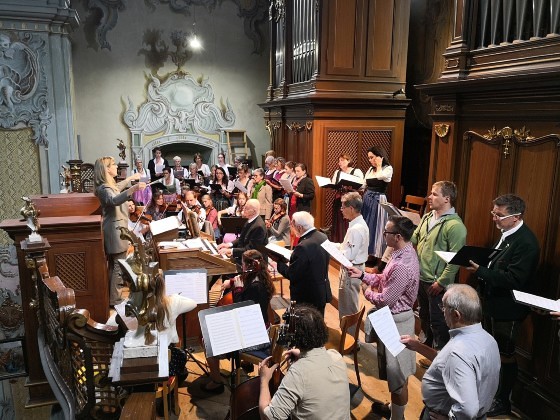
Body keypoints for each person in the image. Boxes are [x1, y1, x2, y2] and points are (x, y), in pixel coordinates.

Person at [467, 194, 540, 417]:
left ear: (516, 217)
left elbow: (514, 279)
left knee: (504, 353)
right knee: (491, 351)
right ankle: (488, 392)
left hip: (509, 309)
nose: (494, 218)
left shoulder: (527, 242)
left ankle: (503, 400)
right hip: (493, 303)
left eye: (499, 215)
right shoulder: (507, 234)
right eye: (493, 213)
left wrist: (480, 271)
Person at [348, 215, 419, 420]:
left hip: (397, 323)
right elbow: (385, 278)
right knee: (395, 375)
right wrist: (363, 275)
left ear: (397, 236)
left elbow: (385, 300)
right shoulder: (403, 251)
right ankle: (396, 411)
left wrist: (366, 291)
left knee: (398, 378)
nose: (383, 235)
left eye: (386, 232)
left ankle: (398, 417)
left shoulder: (402, 265)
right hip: (393, 320)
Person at [401, 284, 500, 420]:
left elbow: (467, 409)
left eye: (444, 307)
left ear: (456, 315)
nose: (442, 311)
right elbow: (446, 361)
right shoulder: (488, 339)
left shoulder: (457, 353)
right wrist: (418, 346)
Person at [258, 304, 350, 420]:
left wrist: (264, 380)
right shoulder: (336, 356)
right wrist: (302, 354)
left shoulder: (298, 373)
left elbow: (270, 418)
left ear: (295, 337)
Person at [203, 250, 275, 393]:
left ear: (248, 266)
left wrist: (237, 289)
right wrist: (231, 282)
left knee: (208, 342)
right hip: (260, 329)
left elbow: (241, 311)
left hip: (254, 338)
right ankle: (246, 363)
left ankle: (216, 382)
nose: (241, 267)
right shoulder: (261, 278)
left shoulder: (255, 287)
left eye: (242, 264)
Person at [411, 181, 467, 352]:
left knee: (439, 322)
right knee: (424, 314)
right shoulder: (428, 217)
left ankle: (438, 356)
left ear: (447, 199)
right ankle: (427, 349)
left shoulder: (455, 226)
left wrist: (441, 282)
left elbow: (456, 259)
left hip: (437, 283)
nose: (429, 197)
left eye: (435, 194)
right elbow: (414, 238)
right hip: (421, 276)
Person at [94, 156, 146, 306]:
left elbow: (118, 187)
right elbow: (114, 200)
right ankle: (115, 299)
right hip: (114, 231)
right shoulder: (104, 189)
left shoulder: (109, 186)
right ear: (106, 169)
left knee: (116, 264)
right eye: (113, 164)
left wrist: (130, 178)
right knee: (119, 265)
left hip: (116, 229)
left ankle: (112, 297)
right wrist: (133, 188)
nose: (116, 166)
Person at [275, 211, 331, 316]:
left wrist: (279, 262)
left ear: (299, 227)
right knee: (318, 323)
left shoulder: (303, 246)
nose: (291, 229)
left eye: (292, 226)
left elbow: (292, 274)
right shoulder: (323, 236)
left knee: (306, 325)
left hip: (306, 296)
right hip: (320, 292)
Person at [334, 192, 369, 328]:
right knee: (349, 305)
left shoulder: (356, 229)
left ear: (351, 208)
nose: (341, 210)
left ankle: (349, 338)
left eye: (343, 207)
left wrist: (331, 251)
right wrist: (334, 245)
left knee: (348, 308)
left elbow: (348, 256)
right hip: (356, 268)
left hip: (351, 270)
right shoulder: (359, 224)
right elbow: (347, 248)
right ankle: (350, 336)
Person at [361, 146, 393, 258]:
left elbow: (380, 176)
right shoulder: (370, 170)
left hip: (379, 199)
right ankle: (365, 252)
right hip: (368, 198)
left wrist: (379, 165)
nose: (370, 160)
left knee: (376, 226)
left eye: (372, 157)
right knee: (366, 224)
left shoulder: (387, 168)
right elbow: (364, 184)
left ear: (380, 156)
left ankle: (375, 254)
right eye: (369, 158)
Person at [217, 199, 267, 265]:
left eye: (246, 208)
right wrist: (229, 244)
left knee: (222, 265)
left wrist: (231, 251)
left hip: (253, 263)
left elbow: (250, 250)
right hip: (244, 257)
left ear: (253, 211)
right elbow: (242, 238)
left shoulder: (259, 227)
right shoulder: (249, 220)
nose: (243, 210)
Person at [331, 154, 364, 243]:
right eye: (339, 161)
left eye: (342, 160)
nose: (340, 162)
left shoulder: (356, 171)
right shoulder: (337, 172)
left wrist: (351, 187)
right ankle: (339, 242)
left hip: (351, 200)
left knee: (348, 220)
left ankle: (350, 241)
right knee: (339, 222)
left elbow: (362, 186)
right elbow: (334, 185)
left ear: (348, 161)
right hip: (339, 199)